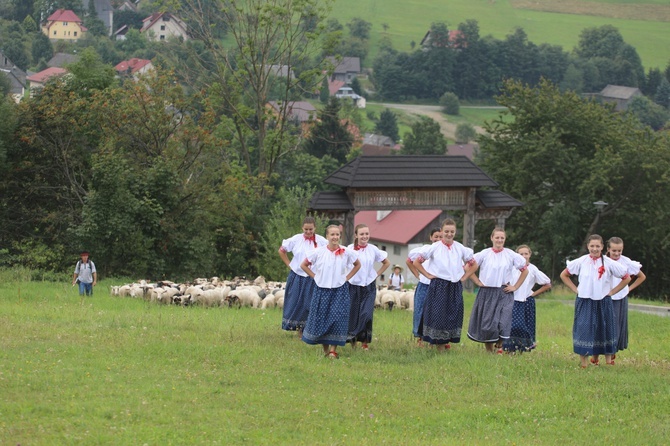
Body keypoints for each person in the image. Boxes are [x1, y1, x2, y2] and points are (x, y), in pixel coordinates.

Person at [560, 234, 631, 368]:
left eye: (597, 246)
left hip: (603, 301)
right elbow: (564, 275)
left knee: (605, 328)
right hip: (585, 300)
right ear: (588, 246)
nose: (594, 249)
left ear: (602, 247)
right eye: (592, 246)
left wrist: (612, 292)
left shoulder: (609, 263)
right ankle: (584, 363)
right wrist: (576, 289)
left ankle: (609, 361)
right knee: (584, 329)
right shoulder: (581, 261)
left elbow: (626, 278)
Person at [413, 219, 475, 351]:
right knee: (437, 315)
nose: (449, 234)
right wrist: (427, 274)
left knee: (452, 314)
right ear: (442, 231)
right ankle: (435, 345)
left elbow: (474, 264)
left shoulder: (460, 248)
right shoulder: (434, 247)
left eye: (452, 231)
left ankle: (445, 343)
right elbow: (416, 263)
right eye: (446, 231)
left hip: (454, 285)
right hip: (439, 285)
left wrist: (464, 277)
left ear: (455, 232)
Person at [465, 227, 529, 353]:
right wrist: (477, 281)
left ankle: (500, 342)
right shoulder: (484, 253)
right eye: (497, 237)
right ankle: (489, 351)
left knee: (504, 320)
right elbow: (467, 267)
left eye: (502, 238)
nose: (499, 240)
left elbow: (525, 270)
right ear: (492, 238)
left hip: (504, 291)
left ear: (504, 239)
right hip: (487, 292)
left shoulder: (510, 255)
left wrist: (515, 286)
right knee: (489, 324)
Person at [301, 225, 361, 359]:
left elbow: (358, 265)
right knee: (322, 319)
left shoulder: (346, 252)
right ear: (327, 236)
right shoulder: (318, 252)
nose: (335, 237)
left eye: (337, 234)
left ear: (340, 236)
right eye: (332, 235)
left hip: (339, 289)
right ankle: (326, 350)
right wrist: (315, 276)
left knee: (338, 318)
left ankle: (334, 350)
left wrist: (347, 278)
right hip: (322, 289)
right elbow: (303, 265)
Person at [590, 237, 646, 365]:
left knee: (615, 328)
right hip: (602, 298)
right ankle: (595, 356)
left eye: (619, 250)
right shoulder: (602, 261)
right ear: (608, 249)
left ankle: (611, 354)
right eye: (614, 250)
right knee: (599, 326)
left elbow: (641, 277)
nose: (616, 253)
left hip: (619, 299)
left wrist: (628, 289)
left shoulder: (626, 262)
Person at [278, 216, 327, 334]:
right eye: (306, 230)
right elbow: (281, 250)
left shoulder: (322, 241)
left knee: (311, 303)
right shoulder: (296, 239)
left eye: (311, 229)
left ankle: (309, 330)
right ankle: (299, 329)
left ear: (315, 228)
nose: (309, 232)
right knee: (296, 302)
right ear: (302, 228)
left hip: (314, 276)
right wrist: (289, 264)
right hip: (297, 275)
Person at [347, 224, 390, 350]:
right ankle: (353, 339)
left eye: (366, 234)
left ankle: (364, 341)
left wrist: (376, 274)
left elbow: (386, 263)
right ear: (356, 235)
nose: (364, 236)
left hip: (368, 285)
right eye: (361, 234)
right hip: (353, 285)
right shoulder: (350, 249)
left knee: (366, 313)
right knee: (353, 314)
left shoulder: (373, 249)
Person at [502, 245, 552, 353]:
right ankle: (508, 349)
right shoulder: (512, 267)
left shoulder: (533, 269)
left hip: (525, 301)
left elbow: (547, 284)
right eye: (521, 254)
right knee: (510, 325)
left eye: (526, 254)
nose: (524, 256)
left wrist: (533, 294)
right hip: (511, 299)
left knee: (522, 326)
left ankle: (523, 347)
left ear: (530, 255)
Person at [406, 228, 443, 344]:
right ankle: (420, 338)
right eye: (436, 236)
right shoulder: (424, 250)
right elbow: (409, 261)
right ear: (431, 237)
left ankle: (437, 338)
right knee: (420, 311)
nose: (438, 239)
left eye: (440, 237)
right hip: (424, 285)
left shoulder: (445, 252)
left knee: (438, 312)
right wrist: (418, 275)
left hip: (439, 286)